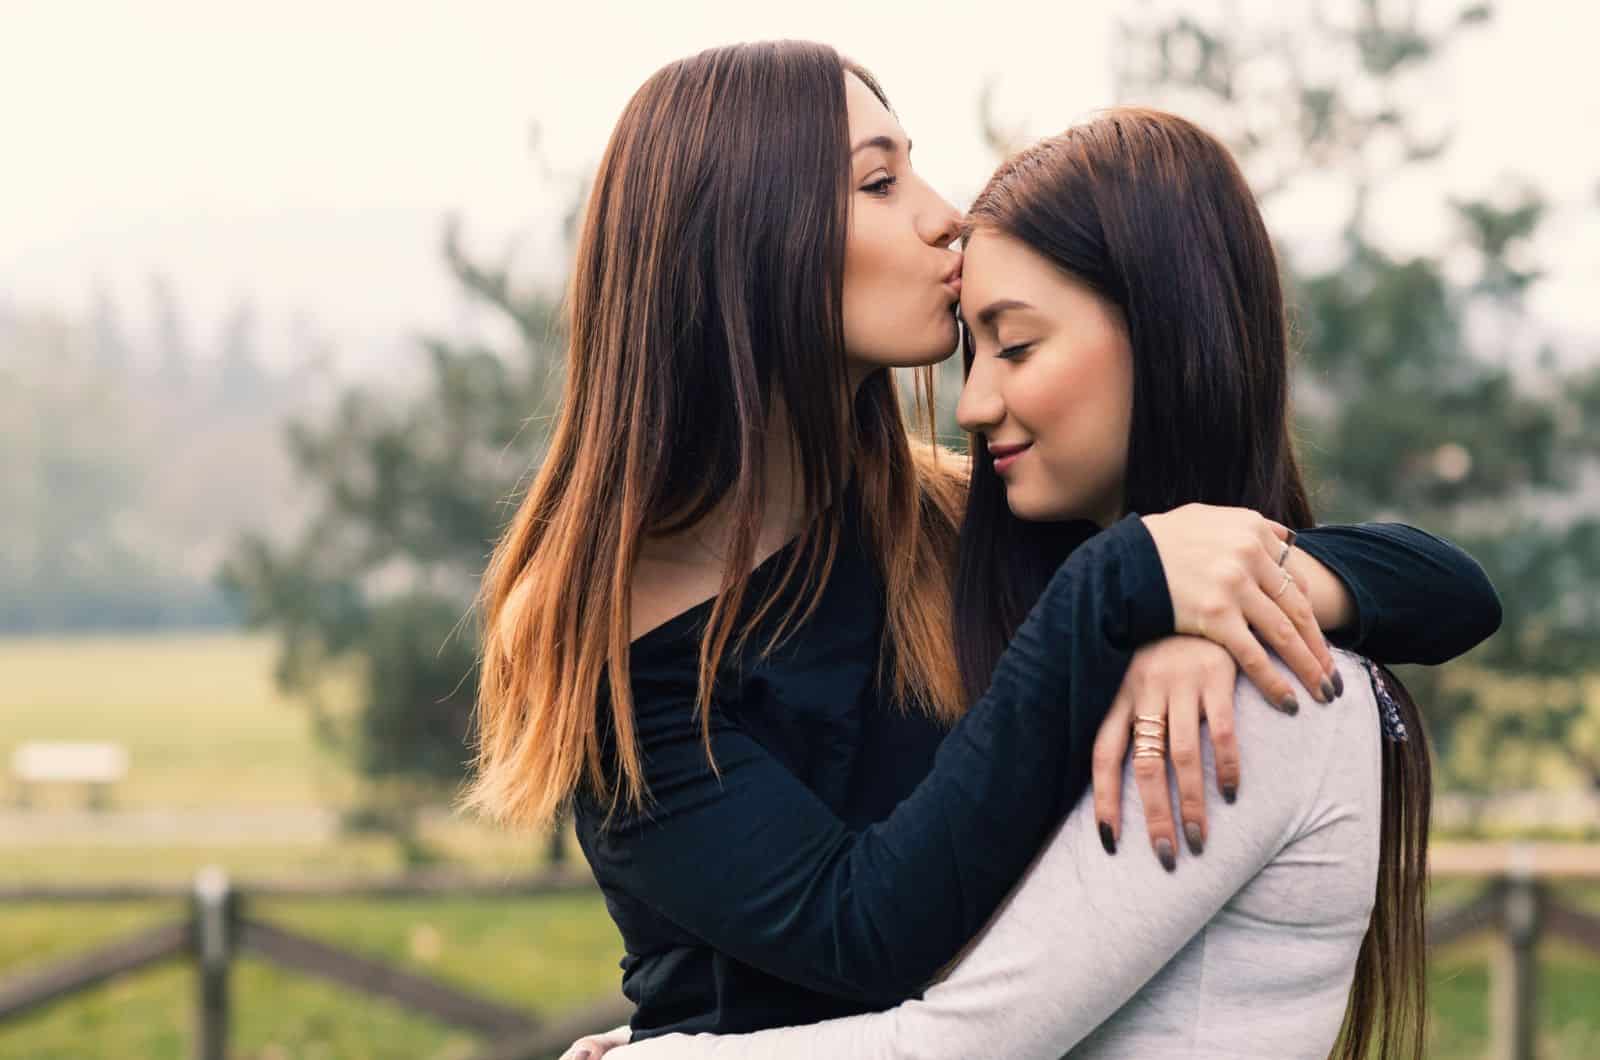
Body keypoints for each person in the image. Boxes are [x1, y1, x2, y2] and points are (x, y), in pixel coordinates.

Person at [459, 41, 1499, 1051]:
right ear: (747, 239)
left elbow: (1447, 592)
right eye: (879, 183)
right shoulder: (595, 627)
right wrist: (1126, 582)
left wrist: (1220, 613)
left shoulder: (957, 520)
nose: (942, 215)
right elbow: (858, 929)